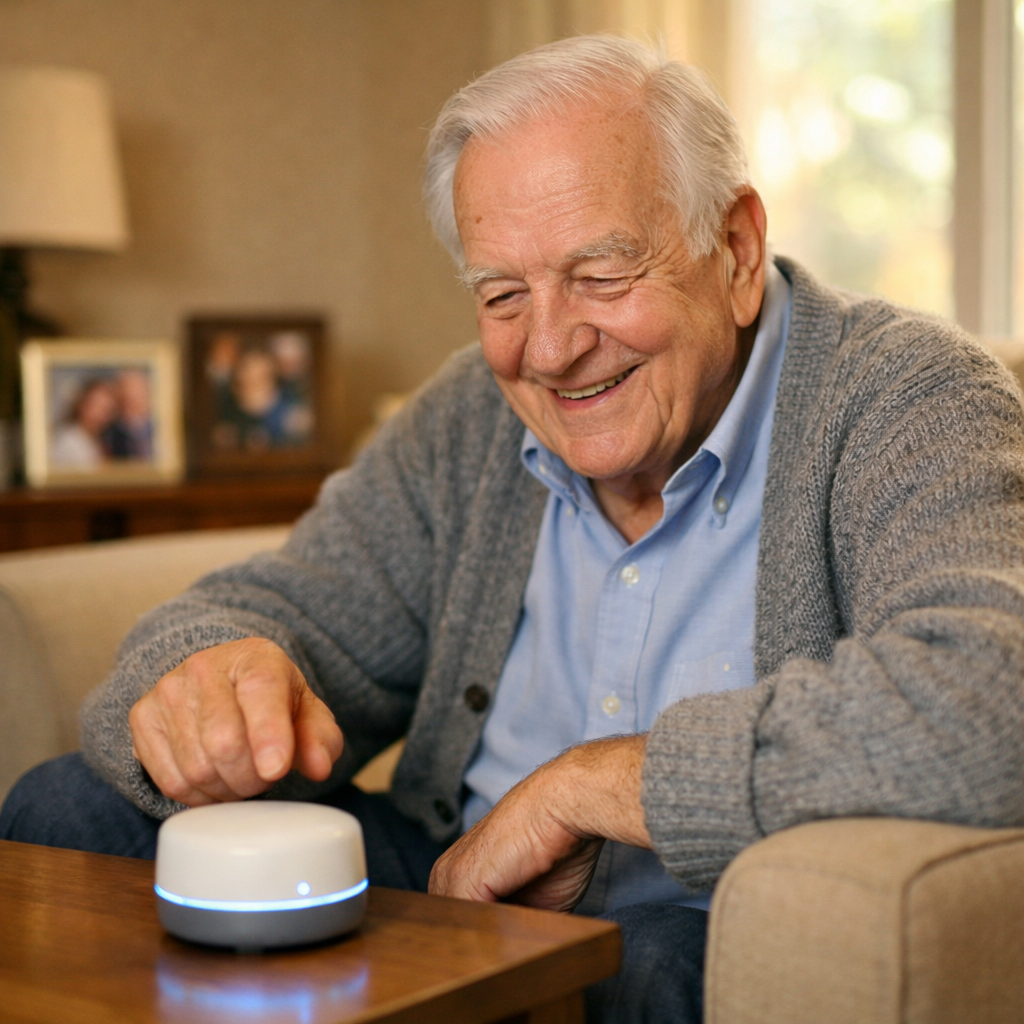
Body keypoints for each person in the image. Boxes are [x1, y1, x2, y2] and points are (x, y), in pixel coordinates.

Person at [5, 35, 1024, 1023]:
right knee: (70, 810)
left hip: (705, 919)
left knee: (654, 966)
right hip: (457, 887)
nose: (548, 347)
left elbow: (993, 698)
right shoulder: (469, 416)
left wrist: (593, 785)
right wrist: (206, 678)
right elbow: (276, 609)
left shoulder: (905, 392)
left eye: (601, 275)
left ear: (737, 248)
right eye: (502, 293)